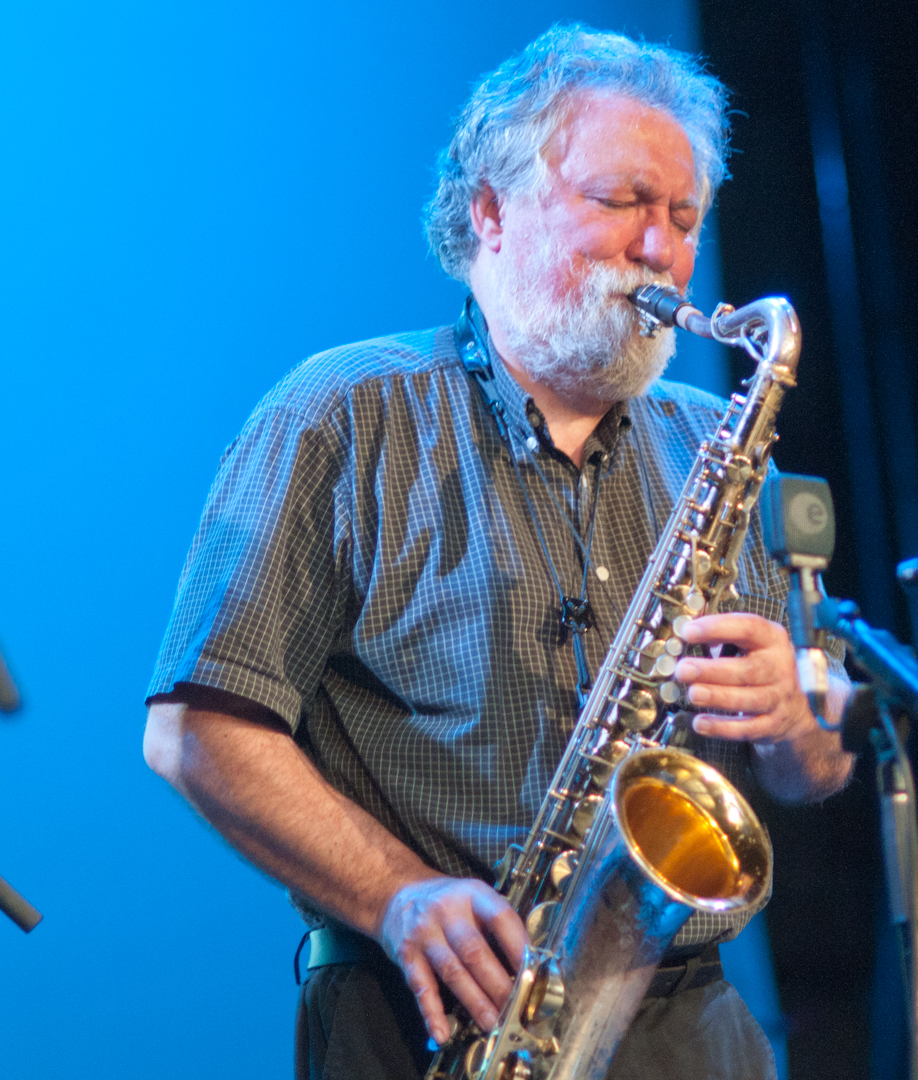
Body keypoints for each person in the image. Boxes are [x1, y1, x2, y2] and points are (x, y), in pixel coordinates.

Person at [143, 24, 853, 1080]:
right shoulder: (340, 414)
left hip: (690, 1026)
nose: (658, 248)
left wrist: (798, 723)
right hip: (424, 1015)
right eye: (621, 202)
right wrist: (398, 895)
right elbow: (197, 733)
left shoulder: (717, 438)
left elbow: (819, 767)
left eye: (683, 217)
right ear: (490, 210)